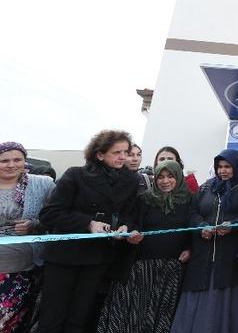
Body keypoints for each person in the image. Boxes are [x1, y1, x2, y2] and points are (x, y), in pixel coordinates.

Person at [38, 130, 140, 333]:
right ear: (99, 154)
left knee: (80, 318)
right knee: (52, 317)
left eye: (126, 152)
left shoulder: (130, 181)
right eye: (116, 152)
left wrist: (124, 227)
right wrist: (87, 223)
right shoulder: (76, 175)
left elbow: (128, 213)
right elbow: (49, 214)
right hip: (65, 257)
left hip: (98, 258)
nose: (123, 157)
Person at [97, 160, 193, 333]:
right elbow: (132, 222)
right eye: (160, 177)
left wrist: (189, 248)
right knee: (133, 312)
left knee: (159, 313)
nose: (165, 181)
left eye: (170, 176)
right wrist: (131, 234)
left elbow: (192, 229)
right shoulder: (144, 199)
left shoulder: (189, 200)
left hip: (170, 270)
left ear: (178, 177)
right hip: (141, 268)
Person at [171, 149, 238, 333]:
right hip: (203, 257)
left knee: (226, 304)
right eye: (219, 167)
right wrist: (201, 226)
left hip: (231, 257)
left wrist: (233, 225)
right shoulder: (207, 187)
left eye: (227, 167)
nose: (223, 171)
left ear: (237, 166)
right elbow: (192, 213)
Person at [0, 142, 54, 333]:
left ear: (25, 160)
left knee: (13, 321)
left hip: (23, 268)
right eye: (4, 160)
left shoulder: (43, 184)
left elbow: (56, 215)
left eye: (17, 159)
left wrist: (34, 224)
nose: (11, 164)